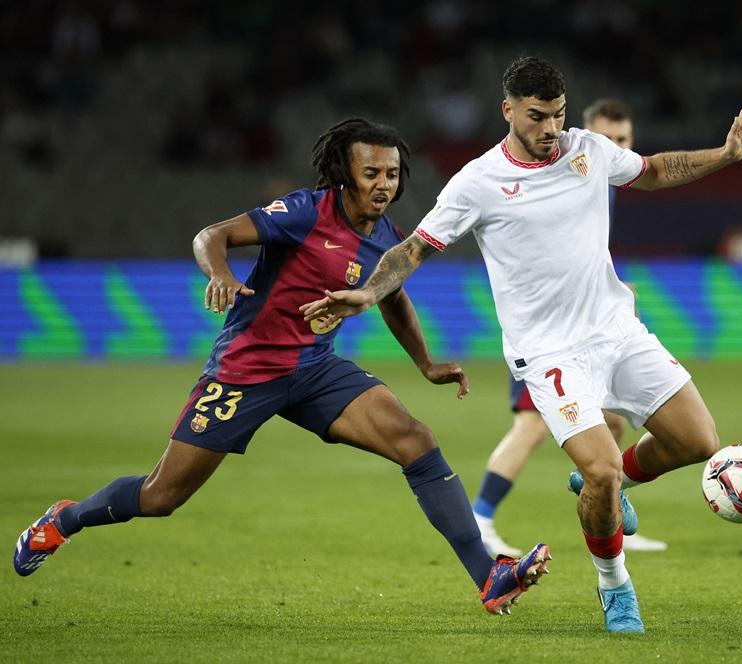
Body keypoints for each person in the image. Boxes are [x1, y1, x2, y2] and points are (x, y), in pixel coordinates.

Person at [12, 117, 551, 615]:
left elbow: (393, 299)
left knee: (415, 440)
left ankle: (488, 576)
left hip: (315, 370)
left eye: (391, 174)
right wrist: (220, 273)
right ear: (345, 174)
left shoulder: (386, 235)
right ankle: (64, 519)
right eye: (371, 173)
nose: (384, 184)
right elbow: (211, 236)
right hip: (245, 372)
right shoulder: (303, 212)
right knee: (160, 496)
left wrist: (426, 363)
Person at [301, 57, 742, 633]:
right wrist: (368, 293)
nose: (551, 128)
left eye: (558, 115)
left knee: (698, 441)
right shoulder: (478, 181)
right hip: (550, 355)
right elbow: (413, 249)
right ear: (508, 110)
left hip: (617, 330)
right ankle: (615, 585)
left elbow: (652, 170)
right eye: (537, 116)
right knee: (600, 474)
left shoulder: (588, 150)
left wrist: (726, 154)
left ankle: (613, 483)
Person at [472, 98, 667, 558]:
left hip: (589, 331)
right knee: (530, 427)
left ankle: (609, 503)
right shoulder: (562, 173)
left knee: (613, 419)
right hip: (545, 335)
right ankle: (480, 518)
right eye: (607, 138)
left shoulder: (605, 185)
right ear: (586, 135)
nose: (615, 146)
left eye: (623, 140)